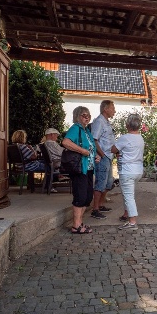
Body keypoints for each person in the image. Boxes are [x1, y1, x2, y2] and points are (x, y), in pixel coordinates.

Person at [62, 106, 99, 234]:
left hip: (89, 168)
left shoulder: (86, 131)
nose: (87, 117)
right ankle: (76, 225)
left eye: (88, 115)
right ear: (77, 116)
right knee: (80, 196)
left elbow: (91, 150)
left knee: (88, 197)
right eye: (84, 115)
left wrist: (96, 156)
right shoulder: (75, 128)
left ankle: (80, 222)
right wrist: (82, 150)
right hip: (79, 168)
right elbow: (66, 142)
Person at [111, 113, 145, 231]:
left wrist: (120, 152)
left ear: (127, 125)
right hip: (138, 170)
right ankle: (127, 215)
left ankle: (132, 222)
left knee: (129, 196)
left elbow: (113, 149)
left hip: (127, 170)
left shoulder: (125, 138)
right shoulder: (140, 138)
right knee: (130, 195)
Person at [91, 100, 116, 219]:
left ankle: (100, 205)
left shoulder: (106, 122)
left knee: (109, 183)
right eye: (112, 108)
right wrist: (102, 154)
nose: (114, 110)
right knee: (100, 183)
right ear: (105, 109)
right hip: (103, 156)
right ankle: (95, 209)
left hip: (108, 156)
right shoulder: (99, 121)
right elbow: (94, 140)